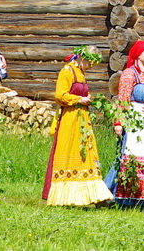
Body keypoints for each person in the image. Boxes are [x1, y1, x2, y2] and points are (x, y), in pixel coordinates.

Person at [42, 46, 113, 207]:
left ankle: (95, 196)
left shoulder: (81, 72)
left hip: (82, 119)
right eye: (90, 63)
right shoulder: (67, 71)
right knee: (70, 151)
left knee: (87, 152)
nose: (91, 67)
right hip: (69, 118)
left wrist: (87, 98)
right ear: (82, 57)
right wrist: (79, 100)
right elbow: (60, 95)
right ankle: (66, 196)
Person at [108, 39, 144, 210]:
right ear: (138, 55)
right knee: (132, 155)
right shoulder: (129, 74)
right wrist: (118, 122)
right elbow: (123, 99)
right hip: (134, 121)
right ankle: (127, 199)